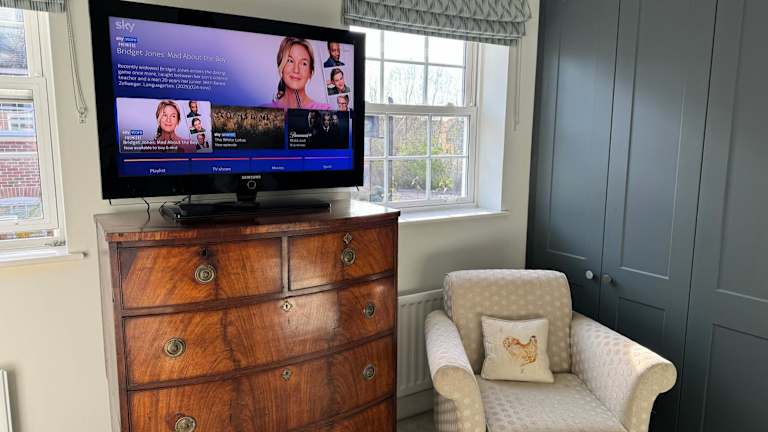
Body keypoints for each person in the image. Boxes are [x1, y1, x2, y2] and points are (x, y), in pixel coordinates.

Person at [264, 37, 330, 110]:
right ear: (281, 66)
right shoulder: (265, 111)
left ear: (310, 72)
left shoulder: (325, 110)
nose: (296, 70)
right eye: (290, 61)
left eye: (304, 63)